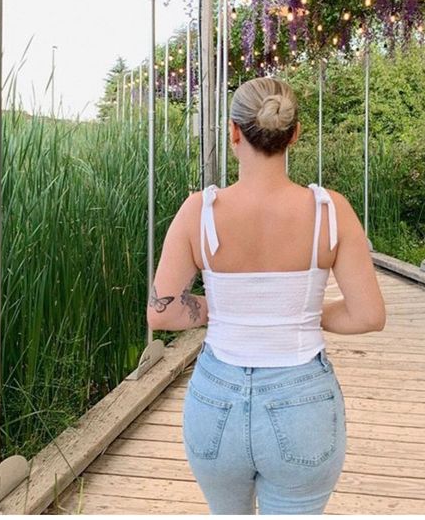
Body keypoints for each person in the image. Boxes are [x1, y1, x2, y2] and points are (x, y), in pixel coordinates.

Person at [146, 76, 386, 514]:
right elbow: (368, 315)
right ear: (294, 134)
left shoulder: (198, 212)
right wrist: (301, 313)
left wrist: (223, 310)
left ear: (233, 132)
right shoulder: (330, 210)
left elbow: (163, 315)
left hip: (215, 399)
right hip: (303, 401)